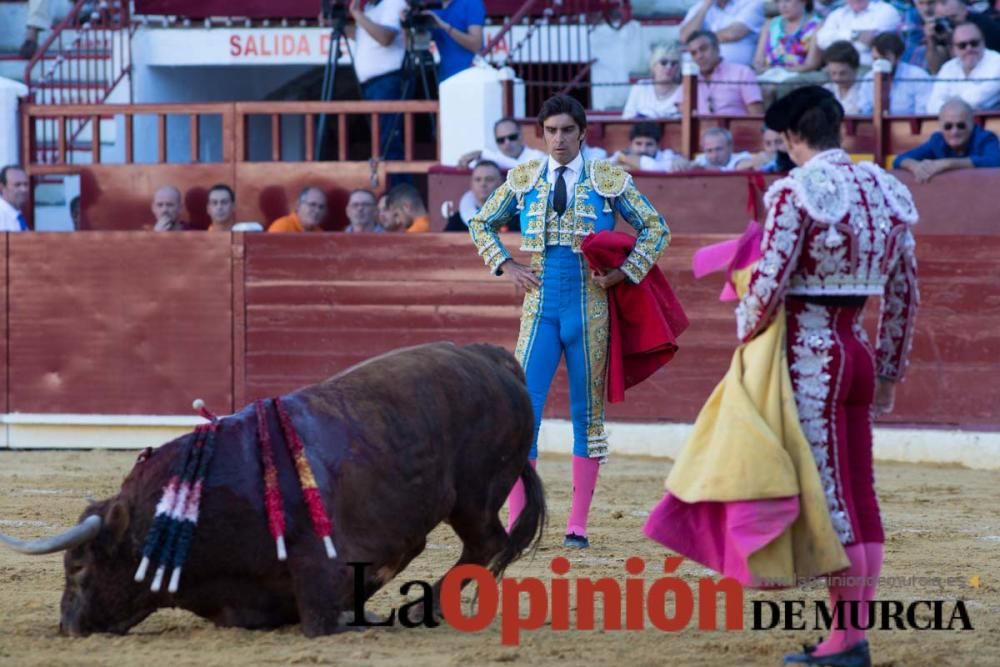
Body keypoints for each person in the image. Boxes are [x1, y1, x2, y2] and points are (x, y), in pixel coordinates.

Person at [646, 86, 919, 667]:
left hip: (806, 359)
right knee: (859, 494)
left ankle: (847, 641)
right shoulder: (889, 192)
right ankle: (852, 634)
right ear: (838, 127)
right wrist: (890, 371)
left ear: (794, 137)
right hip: (858, 352)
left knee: (836, 501)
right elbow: (904, 294)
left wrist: (748, 339)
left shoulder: (797, 192)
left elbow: (768, 282)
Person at [469, 94, 670, 549]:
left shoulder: (607, 179)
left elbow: (657, 228)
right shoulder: (523, 179)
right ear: (541, 135)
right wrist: (506, 265)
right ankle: (520, 523)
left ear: (582, 133)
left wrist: (624, 272)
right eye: (551, 131)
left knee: (588, 417)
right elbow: (481, 223)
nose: (559, 139)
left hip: (590, 310)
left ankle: (577, 525)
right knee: (523, 415)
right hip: (540, 310)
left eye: (567, 130)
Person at [349, 0, 408, 161]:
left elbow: (385, 37)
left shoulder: (393, 2)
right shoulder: (370, 7)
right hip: (373, 85)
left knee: (389, 142)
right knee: (380, 142)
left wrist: (357, 15)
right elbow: (367, 36)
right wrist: (336, 25)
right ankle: (391, 184)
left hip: (386, 81)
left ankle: (398, 186)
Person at [894, 97, 1000, 181]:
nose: (954, 132)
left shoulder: (985, 138)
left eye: (961, 125)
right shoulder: (938, 141)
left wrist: (947, 164)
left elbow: (995, 161)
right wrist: (915, 167)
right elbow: (898, 160)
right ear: (940, 126)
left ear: (972, 124)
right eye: (948, 126)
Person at [925, 22, 1000, 113]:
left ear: (983, 43)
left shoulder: (997, 62)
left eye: (974, 43)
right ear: (953, 49)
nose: (969, 49)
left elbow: (975, 100)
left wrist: (949, 101)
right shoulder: (948, 67)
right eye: (962, 45)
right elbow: (932, 106)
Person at [686, 30, 765, 115]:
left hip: (735, 128)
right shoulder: (690, 80)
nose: (699, 56)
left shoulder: (742, 73)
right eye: (694, 53)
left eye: (704, 49)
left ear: (717, 49)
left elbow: (757, 117)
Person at [680, 0, 766, 67]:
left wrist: (698, 42)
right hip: (697, 70)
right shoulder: (701, 6)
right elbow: (685, 37)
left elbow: (733, 33)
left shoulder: (751, 2)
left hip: (735, 72)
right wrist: (705, 7)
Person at [815, 0, 902, 66]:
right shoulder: (838, 13)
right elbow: (822, 41)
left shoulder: (887, 11)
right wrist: (854, 35)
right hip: (835, 68)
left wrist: (836, 37)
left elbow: (868, 44)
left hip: (867, 68)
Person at [926, 0, 1000, 75]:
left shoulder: (981, 26)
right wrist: (931, 40)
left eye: (953, 17)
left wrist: (951, 41)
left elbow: (970, 63)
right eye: (944, 19)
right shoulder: (941, 29)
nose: (949, 22)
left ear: (964, 11)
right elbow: (935, 69)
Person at [870, 31, 933, 113]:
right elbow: (865, 111)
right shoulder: (868, 78)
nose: (880, 64)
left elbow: (923, 113)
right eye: (875, 59)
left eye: (885, 59)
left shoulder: (918, 77)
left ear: (898, 57)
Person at [426, 0, 485, 83]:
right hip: (445, 79)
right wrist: (406, 23)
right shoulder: (434, 8)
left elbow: (476, 45)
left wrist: (445, 26)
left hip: (470, 76)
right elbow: (412, 45)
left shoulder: (471, 2)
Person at [622, 42, 684, 119]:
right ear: (653, 65)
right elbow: (626, 120)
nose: (669, 67)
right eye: (664, 63)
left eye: (674, 63)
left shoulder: (684, 91)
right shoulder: (640, 88)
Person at [458, 117, 546, 169]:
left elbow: (519, 170)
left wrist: (483, 154)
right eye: (501, 140)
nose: (507, 143)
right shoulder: (493, 158)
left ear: (521, 135)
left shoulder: (538, 157)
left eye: (512, 137)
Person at [443, 160, 505, 231]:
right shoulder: (457, 221)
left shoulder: (514, 219)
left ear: (501, 184)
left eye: (489, 179)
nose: (483, 184)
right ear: (472, 184)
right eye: (478, 180)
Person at [823, 40, 873, 114]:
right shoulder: (826, 90)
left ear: (855, 69)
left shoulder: (866, 90)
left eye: (842, 73)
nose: (837, 78)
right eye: (833, 73)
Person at [611, 122, 685, 172]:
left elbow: (653, 167)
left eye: (649, 144)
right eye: (638, 144)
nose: (643, 149)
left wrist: (626, 159)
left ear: (658, 145)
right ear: (630, 144)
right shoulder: (621, 155)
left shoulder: (667, 156)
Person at [0, 165, 30, 232]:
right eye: (17, 185)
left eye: (26, 184)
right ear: (2, 187)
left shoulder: (17, 214)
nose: (24, 189)